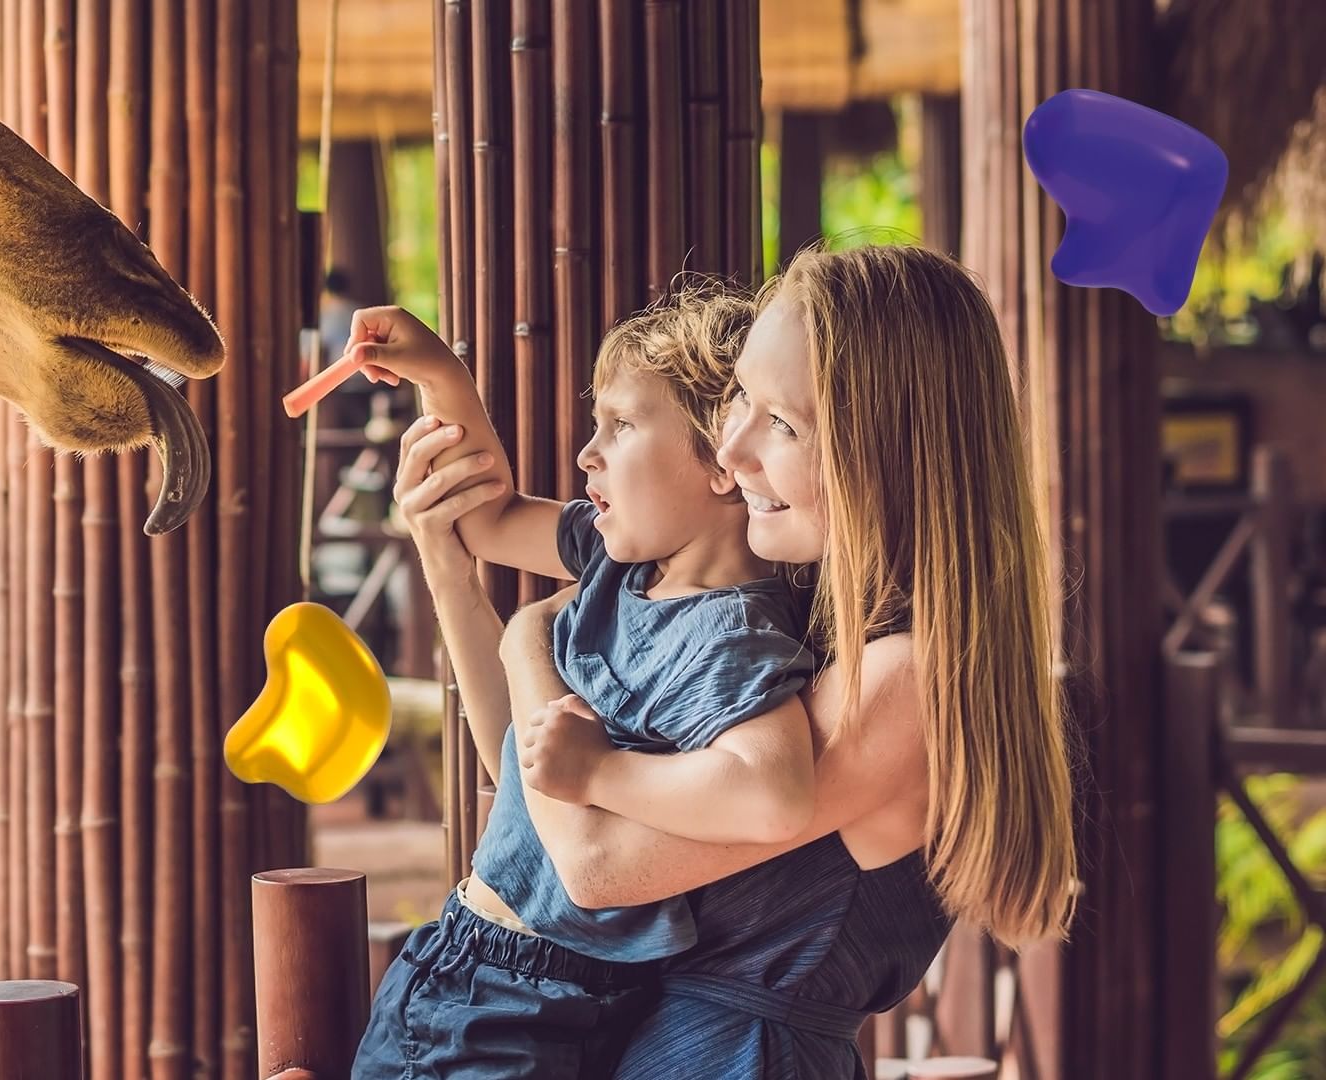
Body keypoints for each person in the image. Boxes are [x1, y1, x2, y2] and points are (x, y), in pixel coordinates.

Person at [387, 244, 1079, 1078]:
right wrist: (450, 567)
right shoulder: (801, 609)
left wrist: (528, 638)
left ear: (888, 450)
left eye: (781, 421)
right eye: (740, 397)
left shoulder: (906, 679)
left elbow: (594, 863)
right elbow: (533, 796)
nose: (733, 447)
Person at [346, 281, 820, 1079]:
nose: (585, 454)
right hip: (470, 952)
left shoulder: (733, 636)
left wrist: (601, 770)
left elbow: (773, 790)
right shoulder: (615, 563)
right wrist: (440, 376)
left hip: (526, 995)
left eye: (621, 424)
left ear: (719, 461)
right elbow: (484, 518)